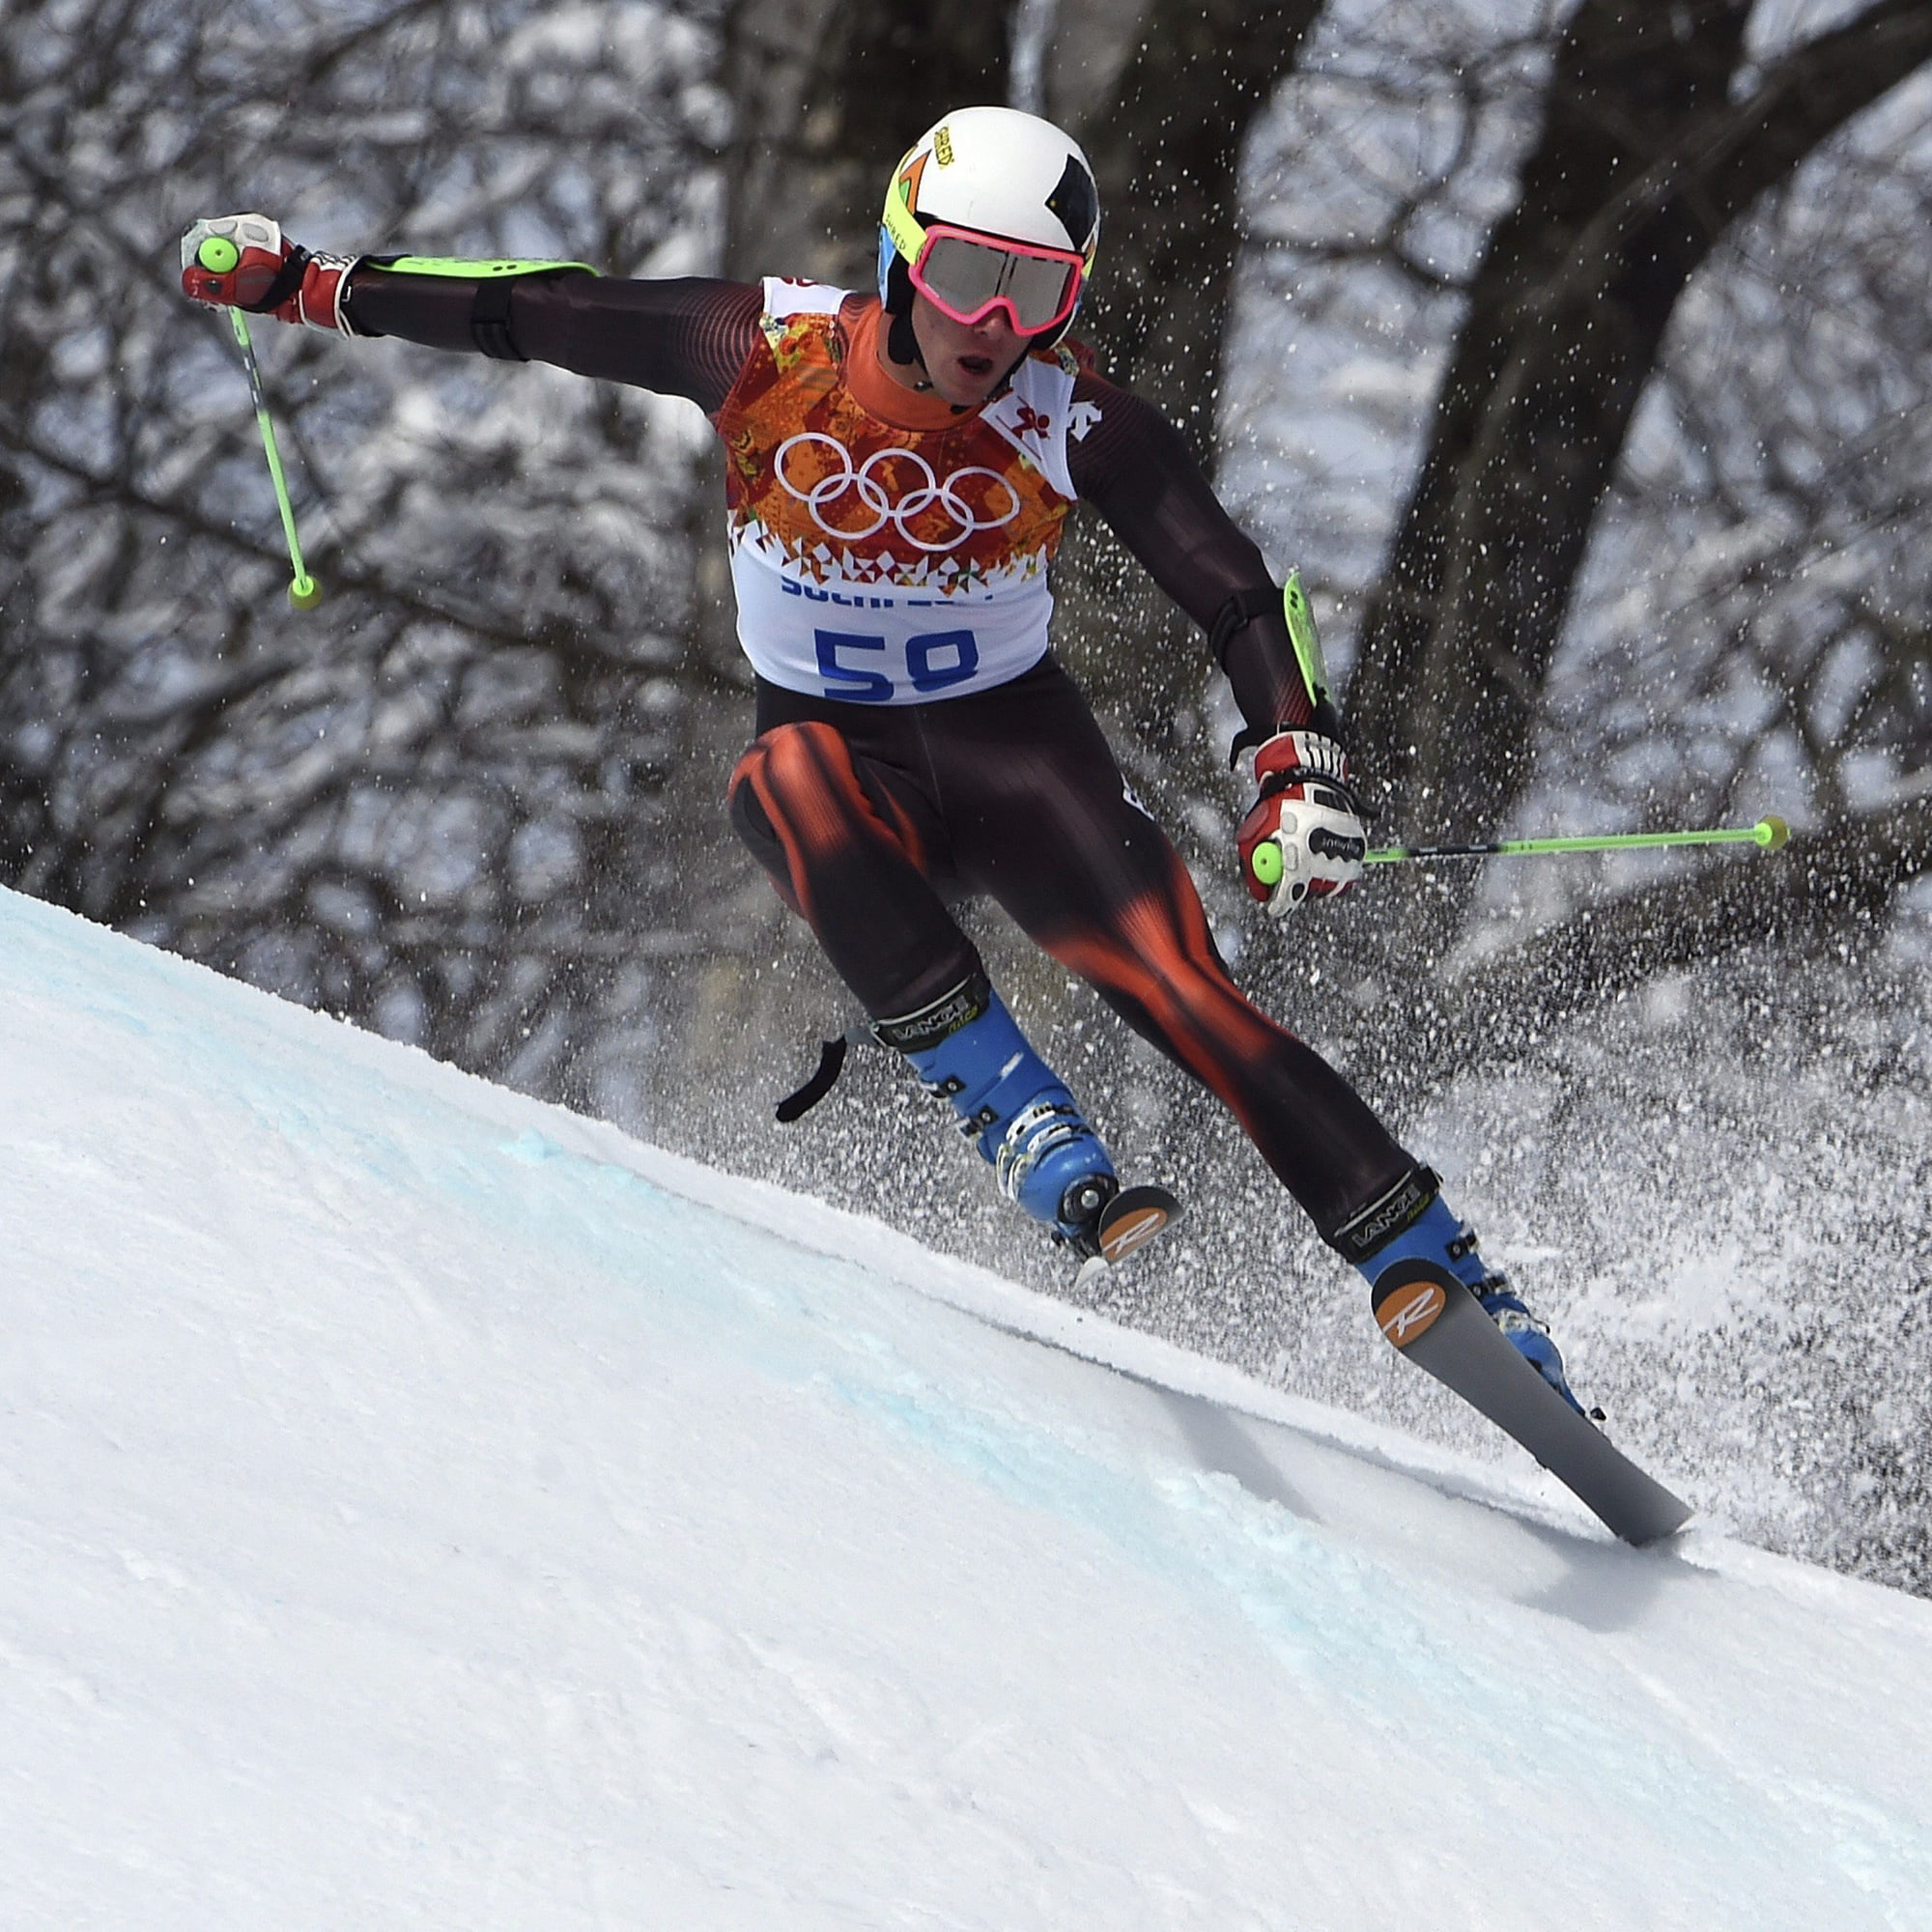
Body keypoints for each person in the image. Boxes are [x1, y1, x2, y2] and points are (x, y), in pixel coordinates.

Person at [181, 104, 1584, 1410]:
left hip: (1018, 761)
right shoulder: (762, 350)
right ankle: (1021, 1114)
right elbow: (533, 308)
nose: (992, 324)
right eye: (970, 273)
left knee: (1183, 992)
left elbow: (1229, 584)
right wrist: (315, 283)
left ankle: (1454, 1273)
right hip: (842, 761)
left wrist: (1294, 755)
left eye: (1034, 294)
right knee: (776, 786)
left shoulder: (1066, 413)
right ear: (906, 254)